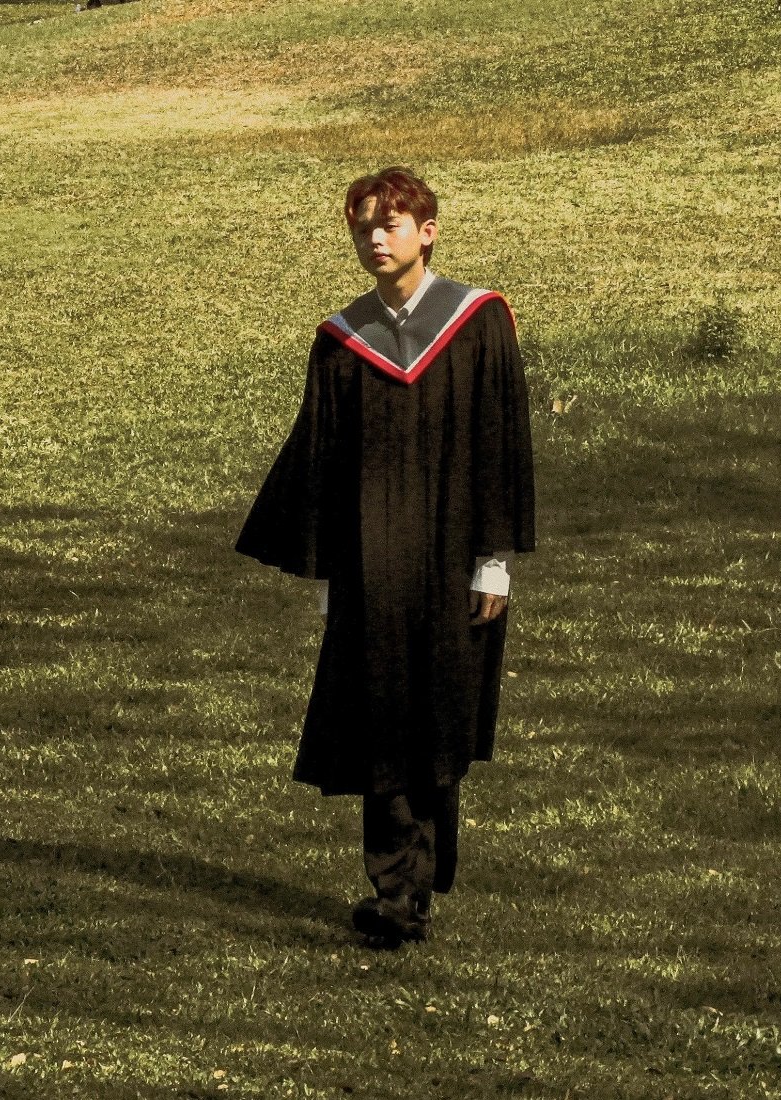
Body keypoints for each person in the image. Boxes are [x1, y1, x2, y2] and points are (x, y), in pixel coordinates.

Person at [235, 166, 535, 948]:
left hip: (453, 556)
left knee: (440, 717)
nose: (374, 237)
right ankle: (397, 891)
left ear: (426, 233)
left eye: (390, 224)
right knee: (379, 719)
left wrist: (494, 561)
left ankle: (422, 872)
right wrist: (330, 576)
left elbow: (501, 443)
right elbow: (323, 465)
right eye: (362, 226)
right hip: (372, 561)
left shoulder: (478, 322)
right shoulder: (342, 342)